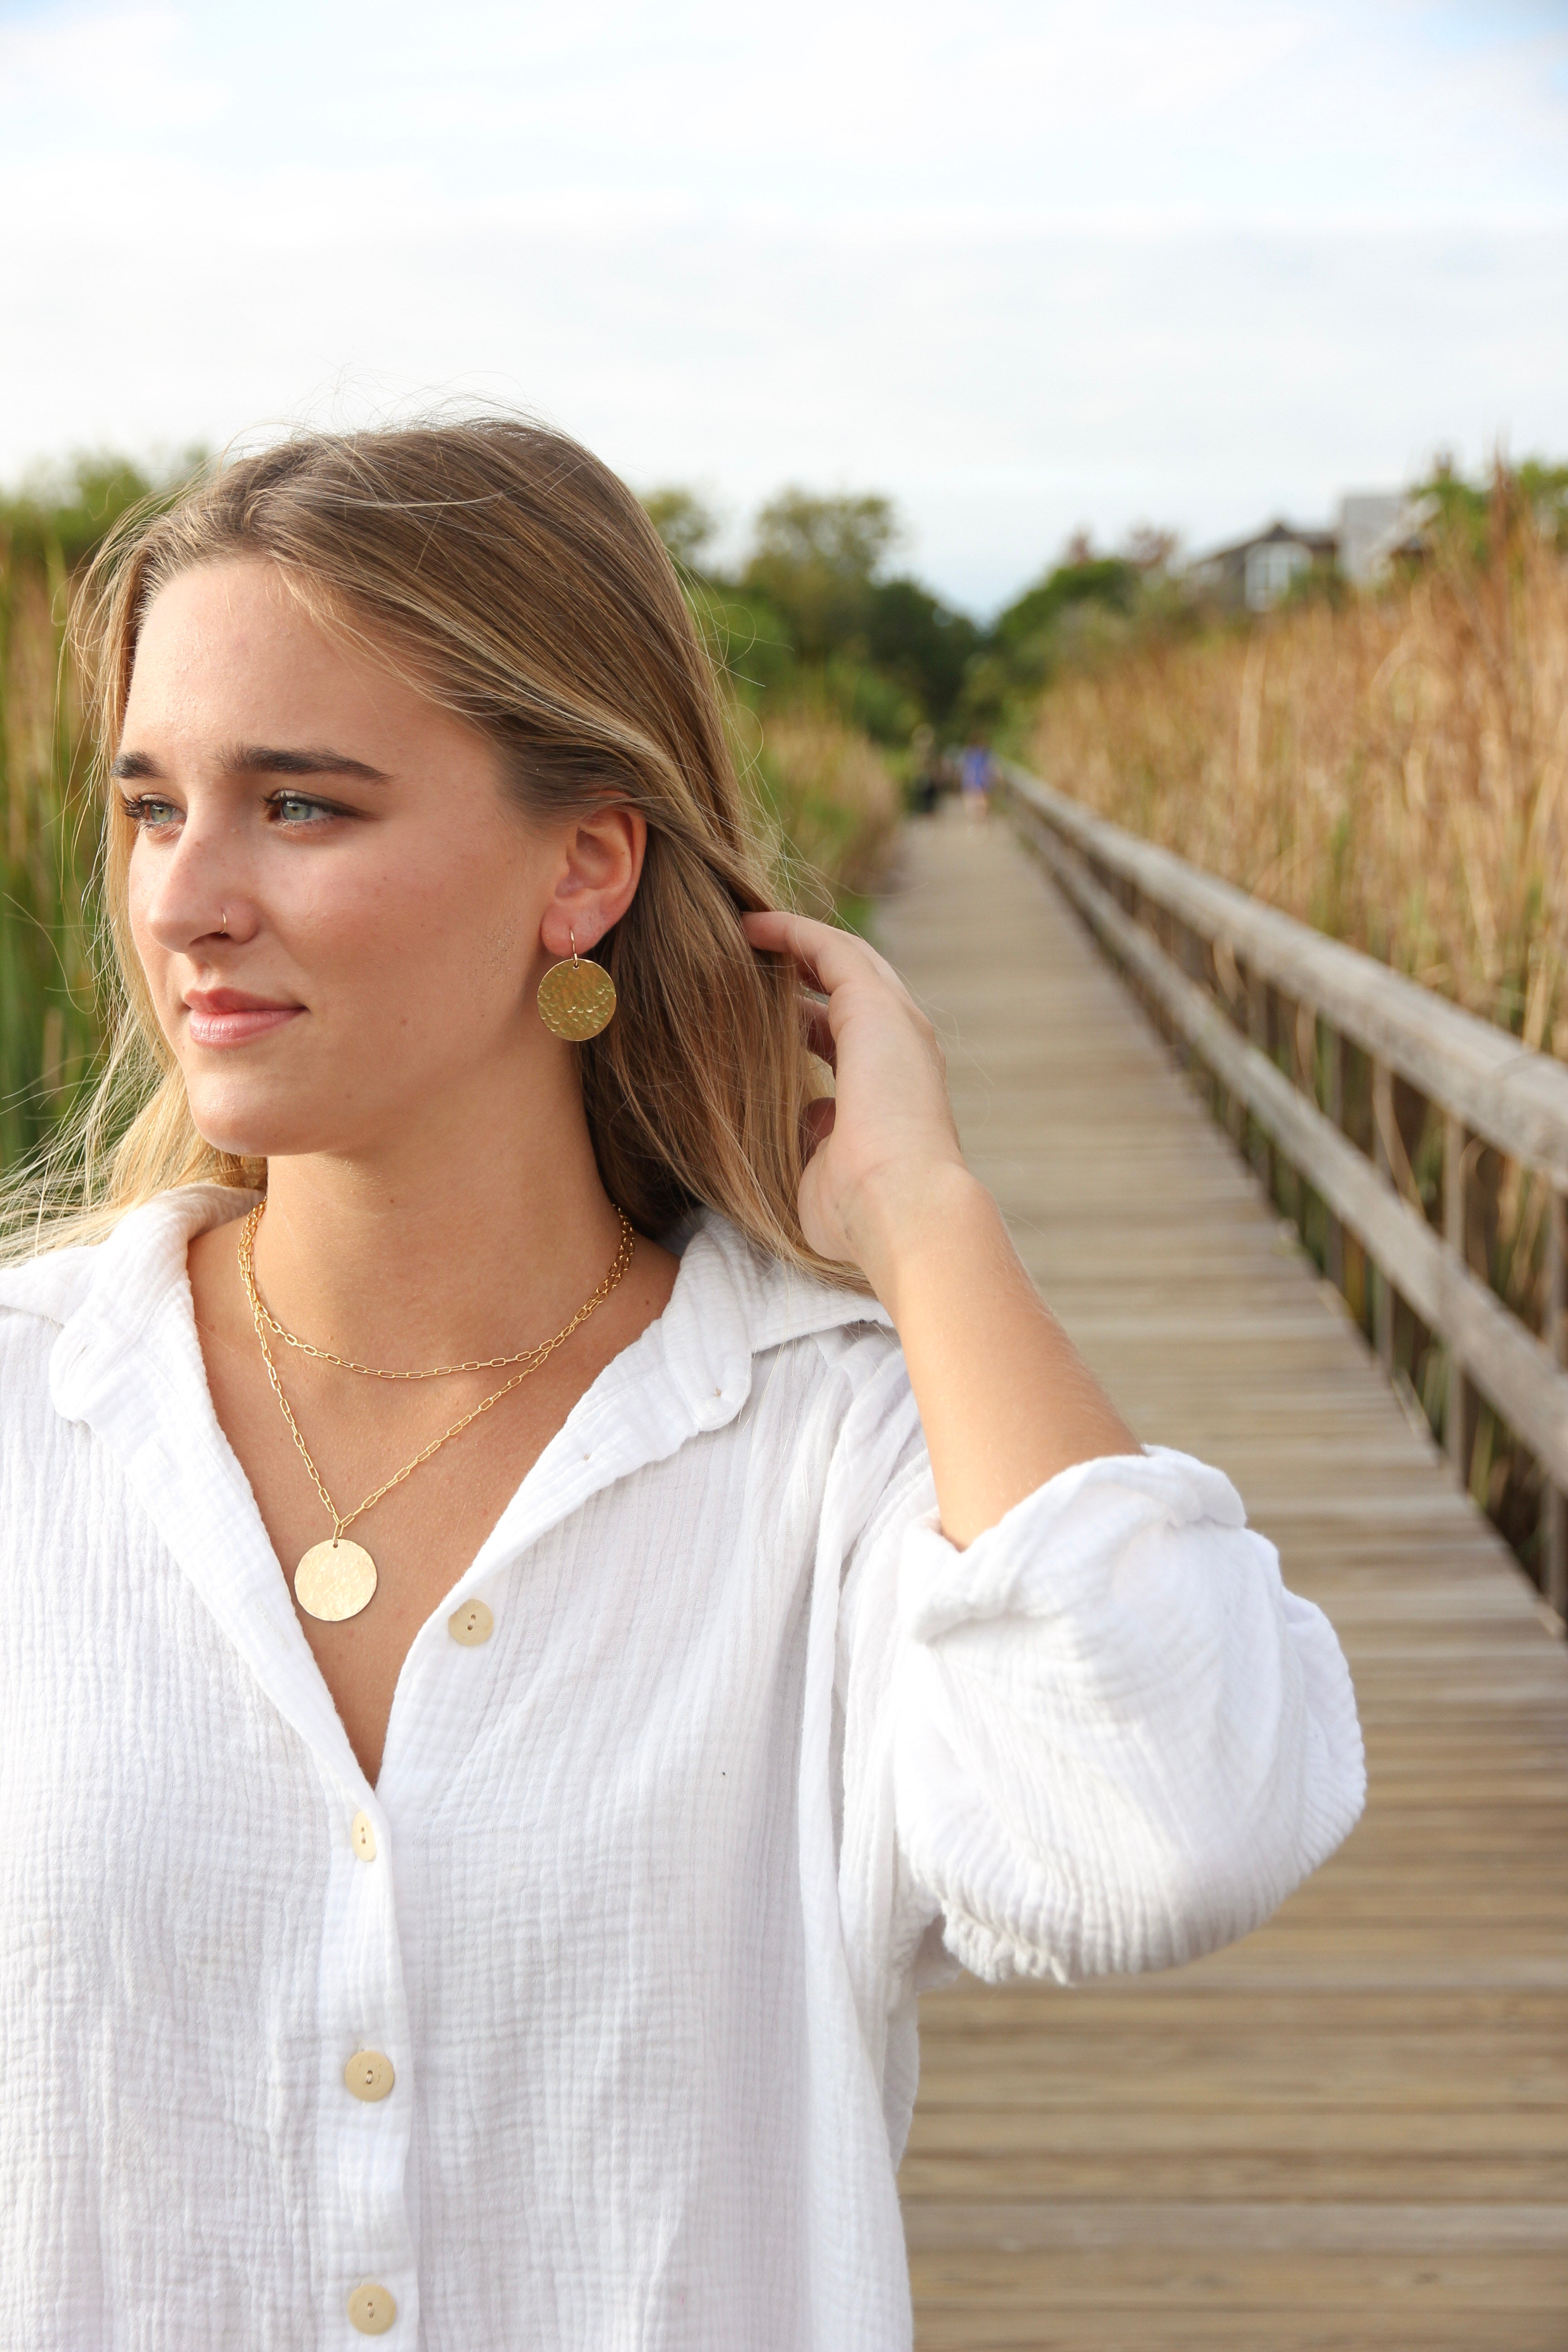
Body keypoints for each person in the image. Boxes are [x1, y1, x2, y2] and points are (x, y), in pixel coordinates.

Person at [0, 419, 1364, 2352]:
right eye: (152, 805)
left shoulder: (827, 1454)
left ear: (583, 867)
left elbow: (1163, 1823)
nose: (185, 898)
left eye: (301, 805)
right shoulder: (29, 1421)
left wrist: (923, 1212)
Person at [959, 734, 995, 820]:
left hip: (975, 781)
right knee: (979, 801)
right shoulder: (982, 755)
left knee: (975, 802)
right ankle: (978, 818)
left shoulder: (972, 754)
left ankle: (976, 819)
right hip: (978, 781)